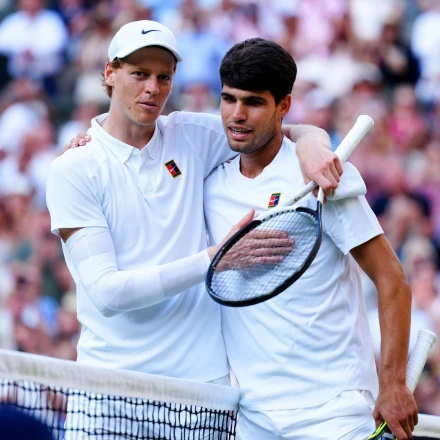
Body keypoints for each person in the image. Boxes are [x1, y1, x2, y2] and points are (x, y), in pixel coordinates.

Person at [46, 20, 342, 437]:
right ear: (110, 73)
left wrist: (312, 146)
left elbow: (275, 126)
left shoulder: (190, 133)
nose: (153, 88)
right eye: (139, 74)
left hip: (199, 394)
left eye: (164, 77)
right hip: (107, 393)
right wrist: (215, 260)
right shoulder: (74, 168)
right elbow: (108, 294)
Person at [203, 38, 417, 439]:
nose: (237, 114)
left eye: (253, 102)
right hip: (252, 418)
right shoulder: (210, 183)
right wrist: (93, 138)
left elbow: (392, 280)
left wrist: (392, 383)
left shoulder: (322, 174)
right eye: (228, 99)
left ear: (283, 106)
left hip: (334, 414)